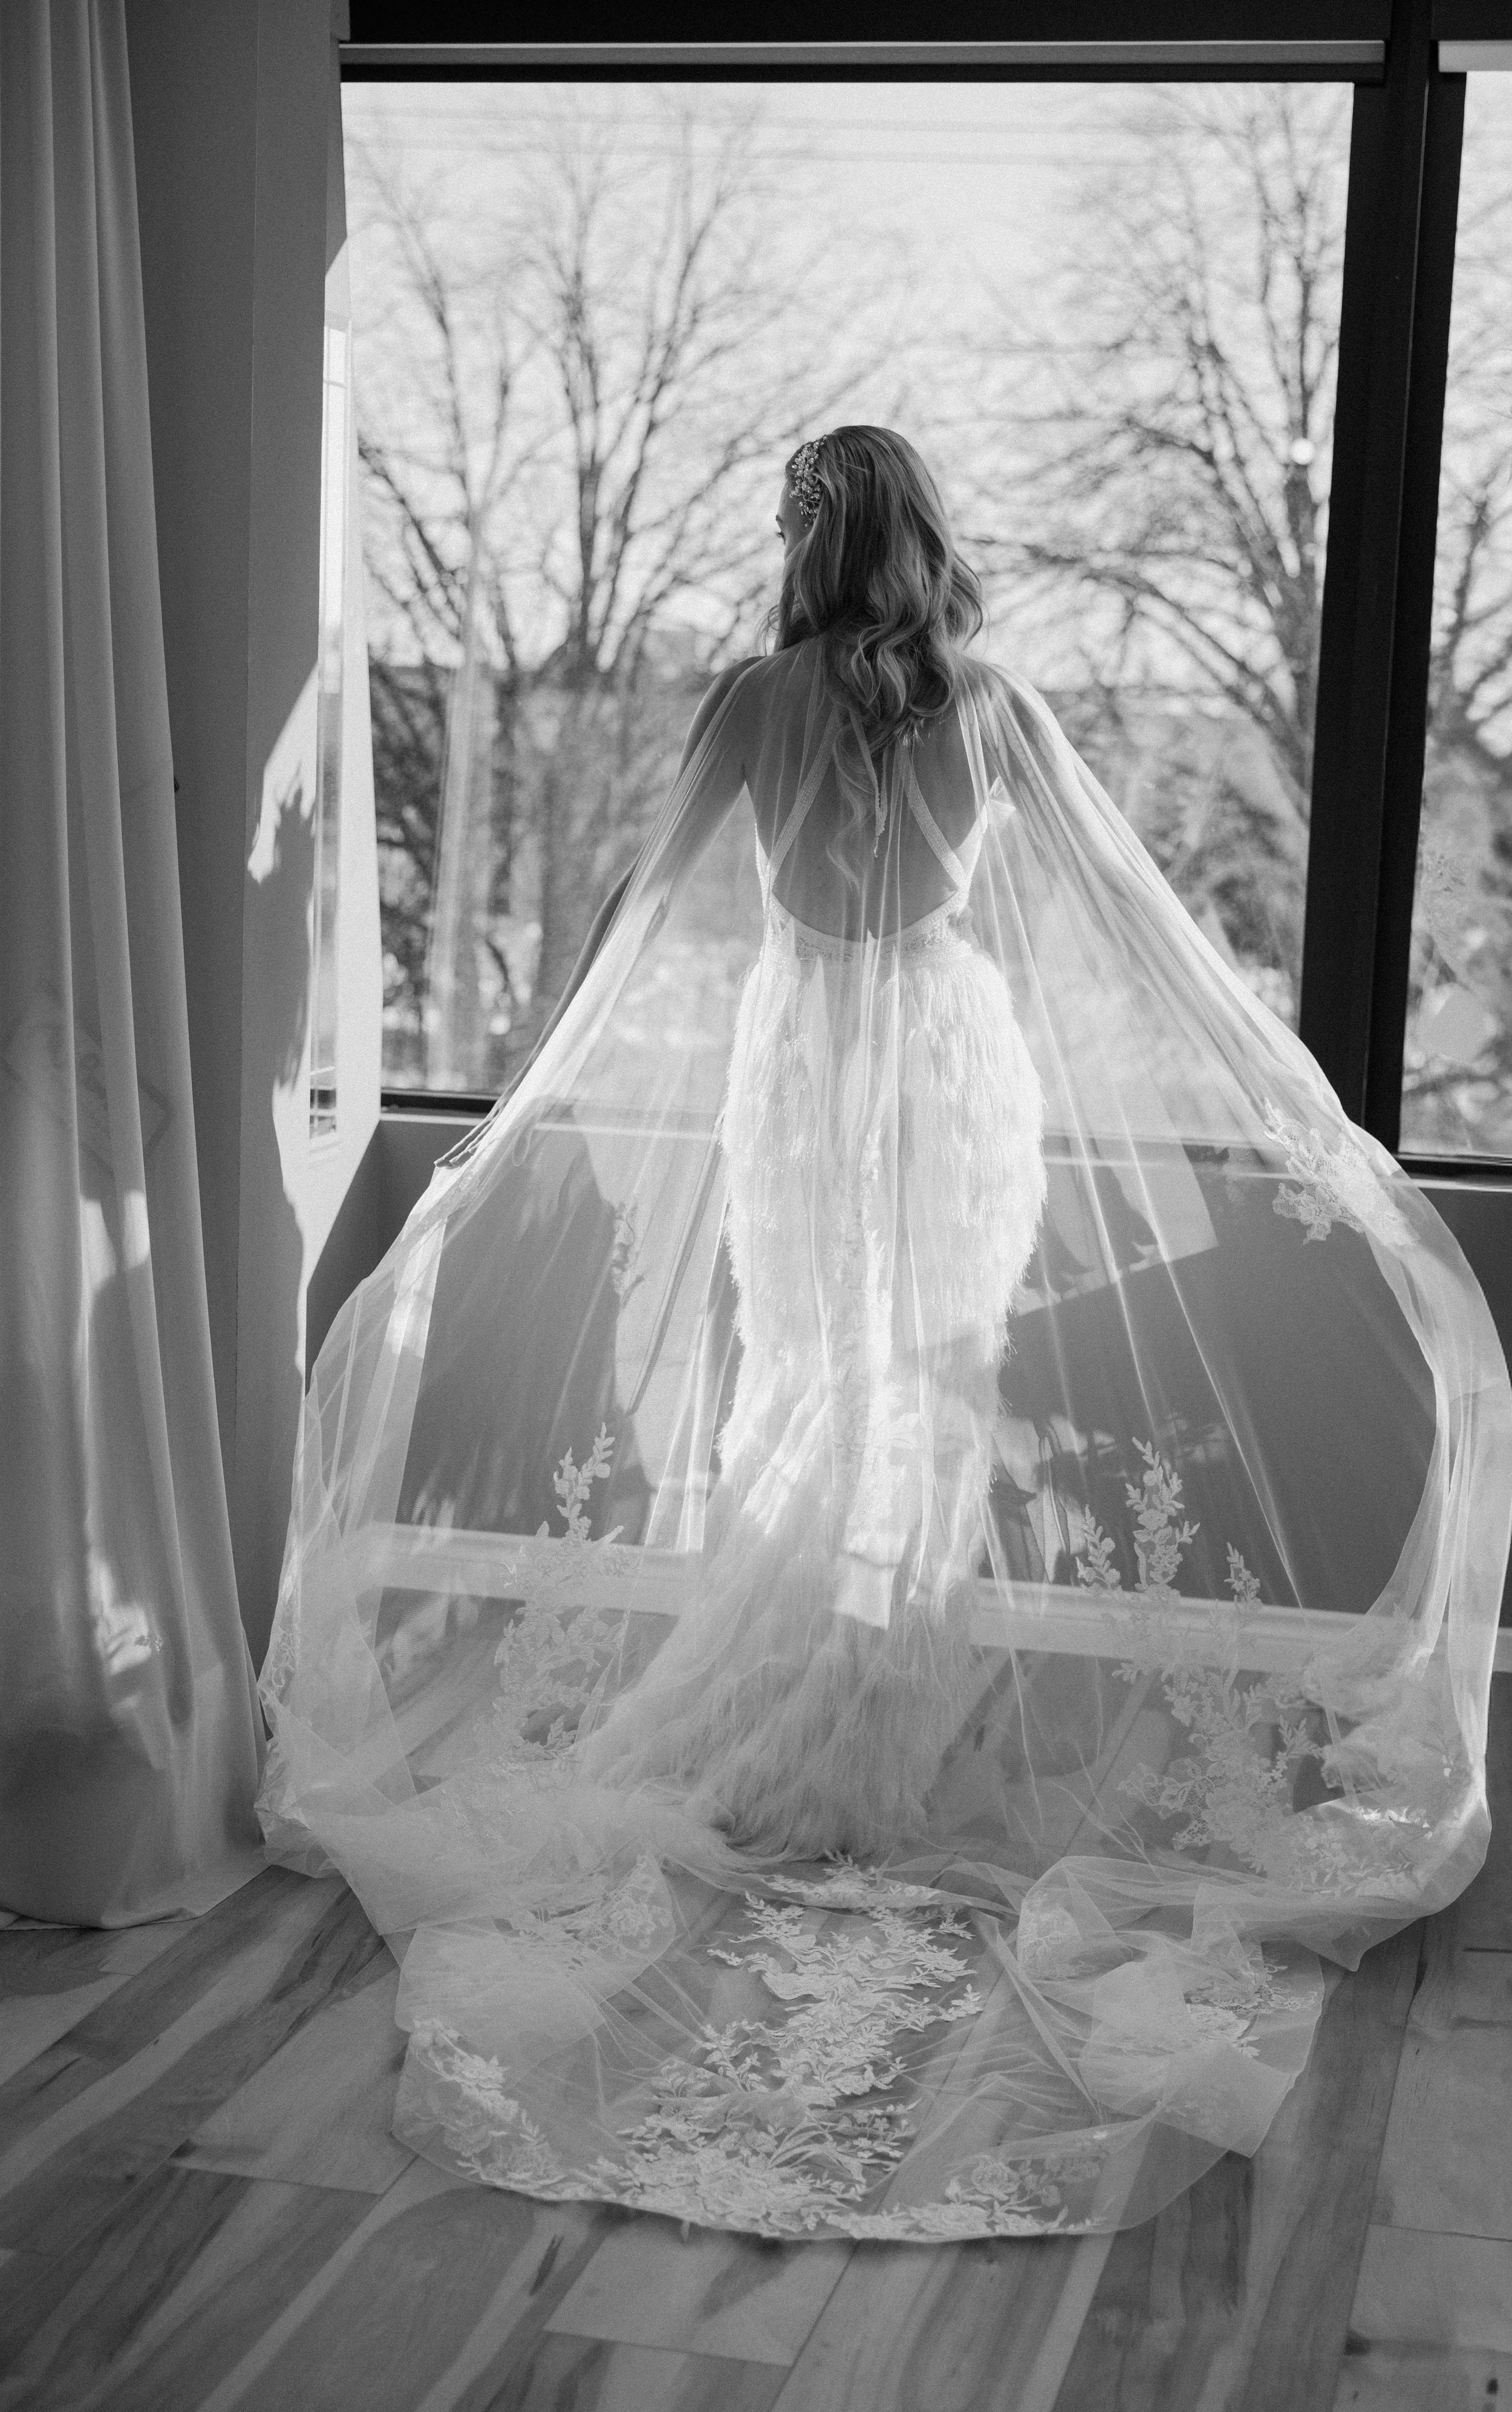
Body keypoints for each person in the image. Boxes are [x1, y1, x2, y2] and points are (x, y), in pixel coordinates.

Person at [259, 428, 1510, 2244]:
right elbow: (1130, 915)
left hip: (815, 1050)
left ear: (809, 540)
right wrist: (1299, 1111)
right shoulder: (991, 707)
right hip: (943, 1051)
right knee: (923, 1393)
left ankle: (825, 1750)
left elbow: (640, 910)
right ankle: (874, 1749)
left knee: (819, 1385)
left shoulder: (755, 702)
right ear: (925, 535)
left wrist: (522, 1092)